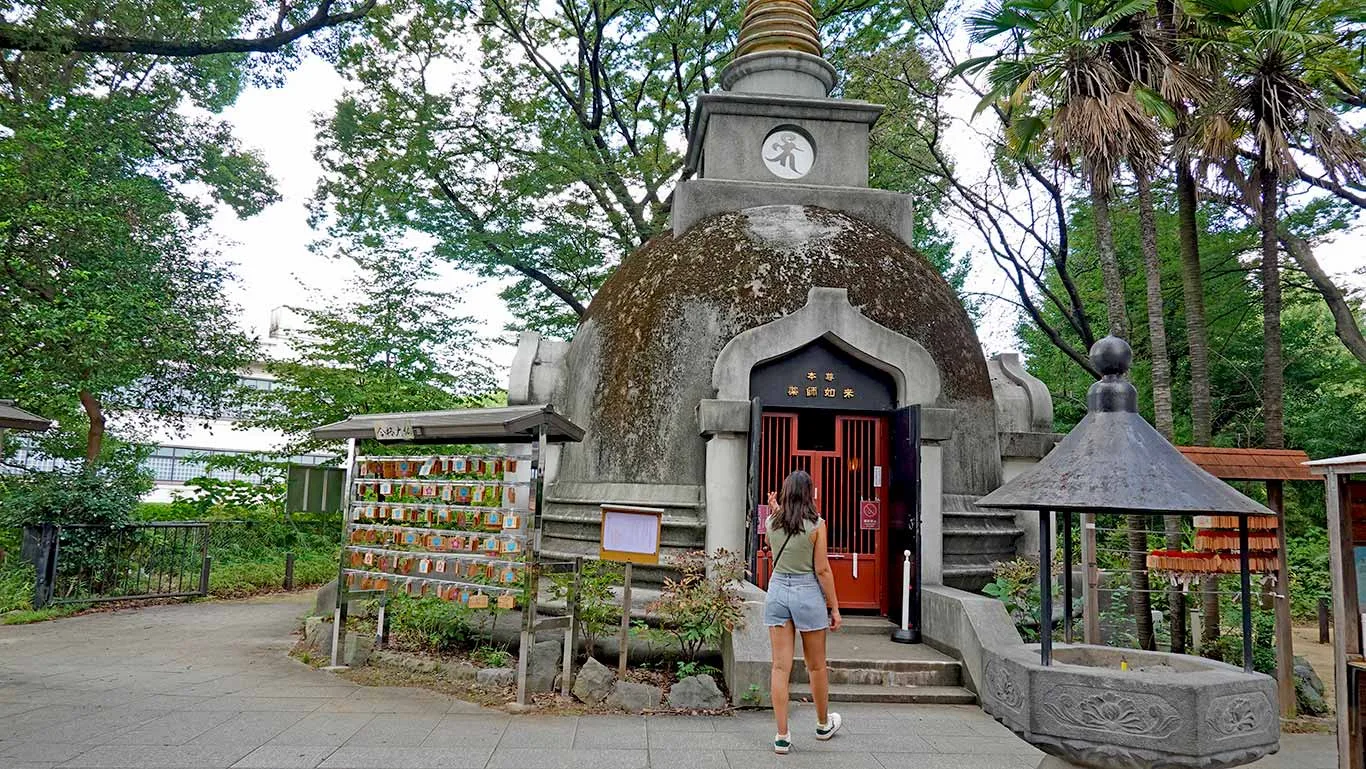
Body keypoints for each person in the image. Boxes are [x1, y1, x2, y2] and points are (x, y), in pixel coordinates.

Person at [763, 469, 842, 754]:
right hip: (807, 592)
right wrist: (834, 607)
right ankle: (823, 725)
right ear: (809, 494)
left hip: (778, 592)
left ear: (785, 493)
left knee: (780, 667)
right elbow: (822, 569)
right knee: (816, 665)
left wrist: (774, 508)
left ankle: (782, 735)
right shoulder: (817, 525)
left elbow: (777, 536)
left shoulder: (771, 522)